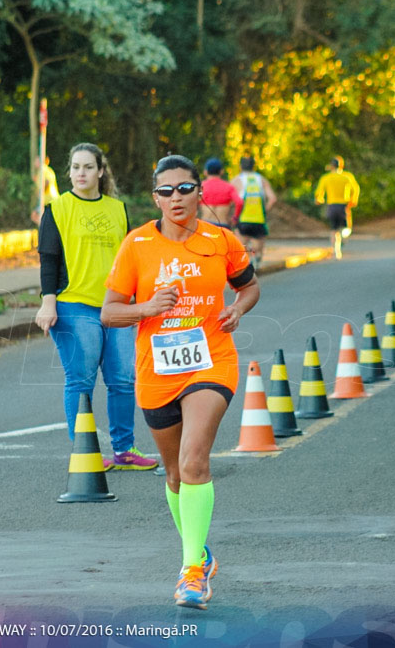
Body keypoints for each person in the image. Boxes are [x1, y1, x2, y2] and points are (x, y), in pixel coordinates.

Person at [102, 155, 260, 610]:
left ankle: (191, 571)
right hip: (157, 372)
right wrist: (147, 308)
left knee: (194, 461)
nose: (176, 197)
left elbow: (249, 286)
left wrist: (238, 309)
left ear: (200, 193)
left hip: (211, 362)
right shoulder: (137, 246)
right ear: (155, 197)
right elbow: (109, 313)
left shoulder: (220, 240)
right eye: (166, 191)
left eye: (185, 189)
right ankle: (200, 552)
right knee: (174, 475)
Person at [35, 142, 157, 470]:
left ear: (100, 171)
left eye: (88, 167)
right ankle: (85, 453)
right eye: (75, 167)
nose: (81, 174)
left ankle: (124, 450)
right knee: (81, 380)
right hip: (74, 305)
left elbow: (130, 260)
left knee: (121, 380)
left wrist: (140, 302)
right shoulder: (57, 208)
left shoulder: (117, 209)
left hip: (116, 306)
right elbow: (49, 260)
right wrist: (48, 303)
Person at [232, 155, 276, 269]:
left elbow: (230, 199)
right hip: (259, 219)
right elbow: (273, 199)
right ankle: (257, 259)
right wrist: (265, 210)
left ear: (240, 166)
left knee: (243, 247)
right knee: (258, 248)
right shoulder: (261, 179)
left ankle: (247, 265)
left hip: (243, 219)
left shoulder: (236, 180)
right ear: (253, 166)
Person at [314, 155, 360, 260]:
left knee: (333, 229)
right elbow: (356, 189)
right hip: (344, 206)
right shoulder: (347, 176)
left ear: (331, 166)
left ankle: (336, 250)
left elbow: (319, 193)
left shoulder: (326, 178)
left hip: (332, 205)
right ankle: (343, 238)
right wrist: (354, 200)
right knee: (346, 228)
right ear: (341, 166)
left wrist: (319, 199)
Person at [199, 157, 240, 228]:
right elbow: (239, 202)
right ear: (221, 171)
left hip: (206, 224)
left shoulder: (201, 187)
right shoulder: (229, 187)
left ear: (205, 172)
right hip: (223, 225)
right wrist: (235, 218)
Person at [31, 156, 60, 225]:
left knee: (35, 215)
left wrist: (41, 192)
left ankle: (45, 230)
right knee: (38, 216)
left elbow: (47, 182)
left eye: (37, 160)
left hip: (50, 200)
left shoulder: (44, 170)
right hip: (47, 200)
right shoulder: (44, 171)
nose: (35, 162)